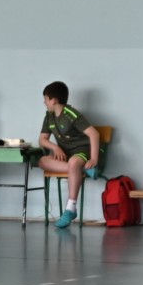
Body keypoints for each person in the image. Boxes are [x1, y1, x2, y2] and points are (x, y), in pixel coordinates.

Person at [37, 81, 101, 229]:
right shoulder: (49, 116)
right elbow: (42, 139)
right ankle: (80, 169)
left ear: (54, 100)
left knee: (73, 162)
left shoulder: (71, 114)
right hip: (67, 155)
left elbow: (94, 134)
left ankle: (71, 208)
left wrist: (94, 159)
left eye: (46, 99)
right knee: (42, 161)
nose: (44, 102)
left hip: (82, 151)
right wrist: (55, 147)